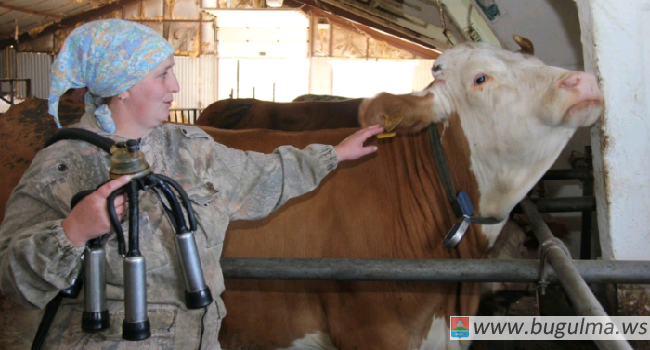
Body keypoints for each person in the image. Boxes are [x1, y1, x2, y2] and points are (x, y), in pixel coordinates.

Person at [0, 19, 383, 349]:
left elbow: (262, 175)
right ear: (123, 85)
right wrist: (73, 231)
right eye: (162, 74)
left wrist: (334, 154)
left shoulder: (188, 147)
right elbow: (12, 279)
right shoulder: (65, 164)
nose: (176, 87)